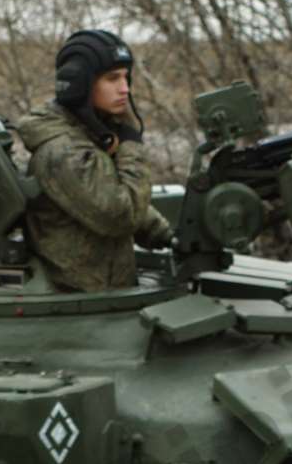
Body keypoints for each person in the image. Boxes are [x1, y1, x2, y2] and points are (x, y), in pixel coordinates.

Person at [16, 28, 174, 292]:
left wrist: (166, 235)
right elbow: (120, 215)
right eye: (112, 79)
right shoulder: (63, 152)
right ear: (79, 84)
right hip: (81, 299)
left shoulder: (88, 131)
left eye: (126, 78)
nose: (125, 89)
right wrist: (131, 146)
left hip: (106, 289)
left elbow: (111, 189)